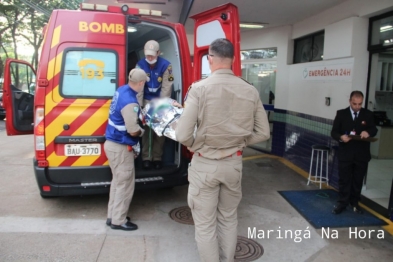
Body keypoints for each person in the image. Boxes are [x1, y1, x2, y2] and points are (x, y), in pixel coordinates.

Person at [175, 38, 270, 262]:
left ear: (210, 60)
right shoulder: (250, 90)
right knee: (228, 218)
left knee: (205, 224)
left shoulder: (199, 89)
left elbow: (182, 134)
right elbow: (263, 132)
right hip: (233, 165)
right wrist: (241, 143)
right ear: (233, 60)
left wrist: (194, 144)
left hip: (205, 165)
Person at [104, 68, 148, 231]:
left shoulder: (121, 90)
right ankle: (119, 220)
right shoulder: (131, 102)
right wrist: (142, 131)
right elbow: (132, 130)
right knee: (125, 184)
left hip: (112, 145)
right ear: (141, 83)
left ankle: (112, 216)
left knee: (117, 182)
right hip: (121, 147)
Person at [331, 90, 378, 215]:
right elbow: (334, 132)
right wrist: (341, 137)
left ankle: (355, 203)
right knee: (344, 179)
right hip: (345, 153)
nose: (357, 107)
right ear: (350, 101)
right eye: (354, 104)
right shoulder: (341, 114)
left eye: (359, 104)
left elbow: (374, 129)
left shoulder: (368, 115)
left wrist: (368, 132)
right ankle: (342, 202)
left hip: (361, 155)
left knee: (358, 180)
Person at [136, 40, 174, 170]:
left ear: (158, 53)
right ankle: (146, 158)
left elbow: (166, 88)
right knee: (146, 131)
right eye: (147, 55)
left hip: (160, 101)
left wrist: (161, 107)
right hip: (146, 100)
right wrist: (140, 107)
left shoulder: (166, 66)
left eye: (152, 55)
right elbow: (139, 88)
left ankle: (157, 158)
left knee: (159, 131)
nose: (150, 58)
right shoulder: (140, 65)